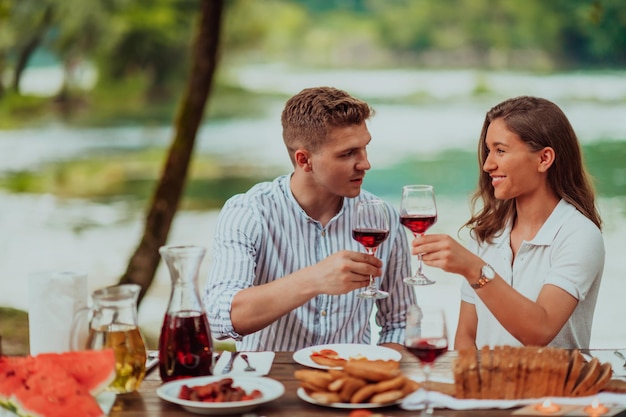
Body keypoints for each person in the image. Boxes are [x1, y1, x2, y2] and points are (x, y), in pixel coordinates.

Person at [202, 86, 417, 352]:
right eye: (348, 153)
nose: (365, 163)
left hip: (349, 384)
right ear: (304, 160)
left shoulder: (382, 217)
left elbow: (399, 322)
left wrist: (377, 375)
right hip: (271, 383)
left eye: (364, 148)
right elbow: (220, 318)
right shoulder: (248, 212)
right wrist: (314, 279)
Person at [412, 96, 604, 350]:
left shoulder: (579, 235)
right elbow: (467, 337)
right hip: (486, 388)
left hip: (552, 389)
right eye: (488, 150)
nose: (488, 164)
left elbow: (540, 330)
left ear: (544, 159)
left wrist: (474, 269)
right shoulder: (486, 233)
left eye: (500, 150)